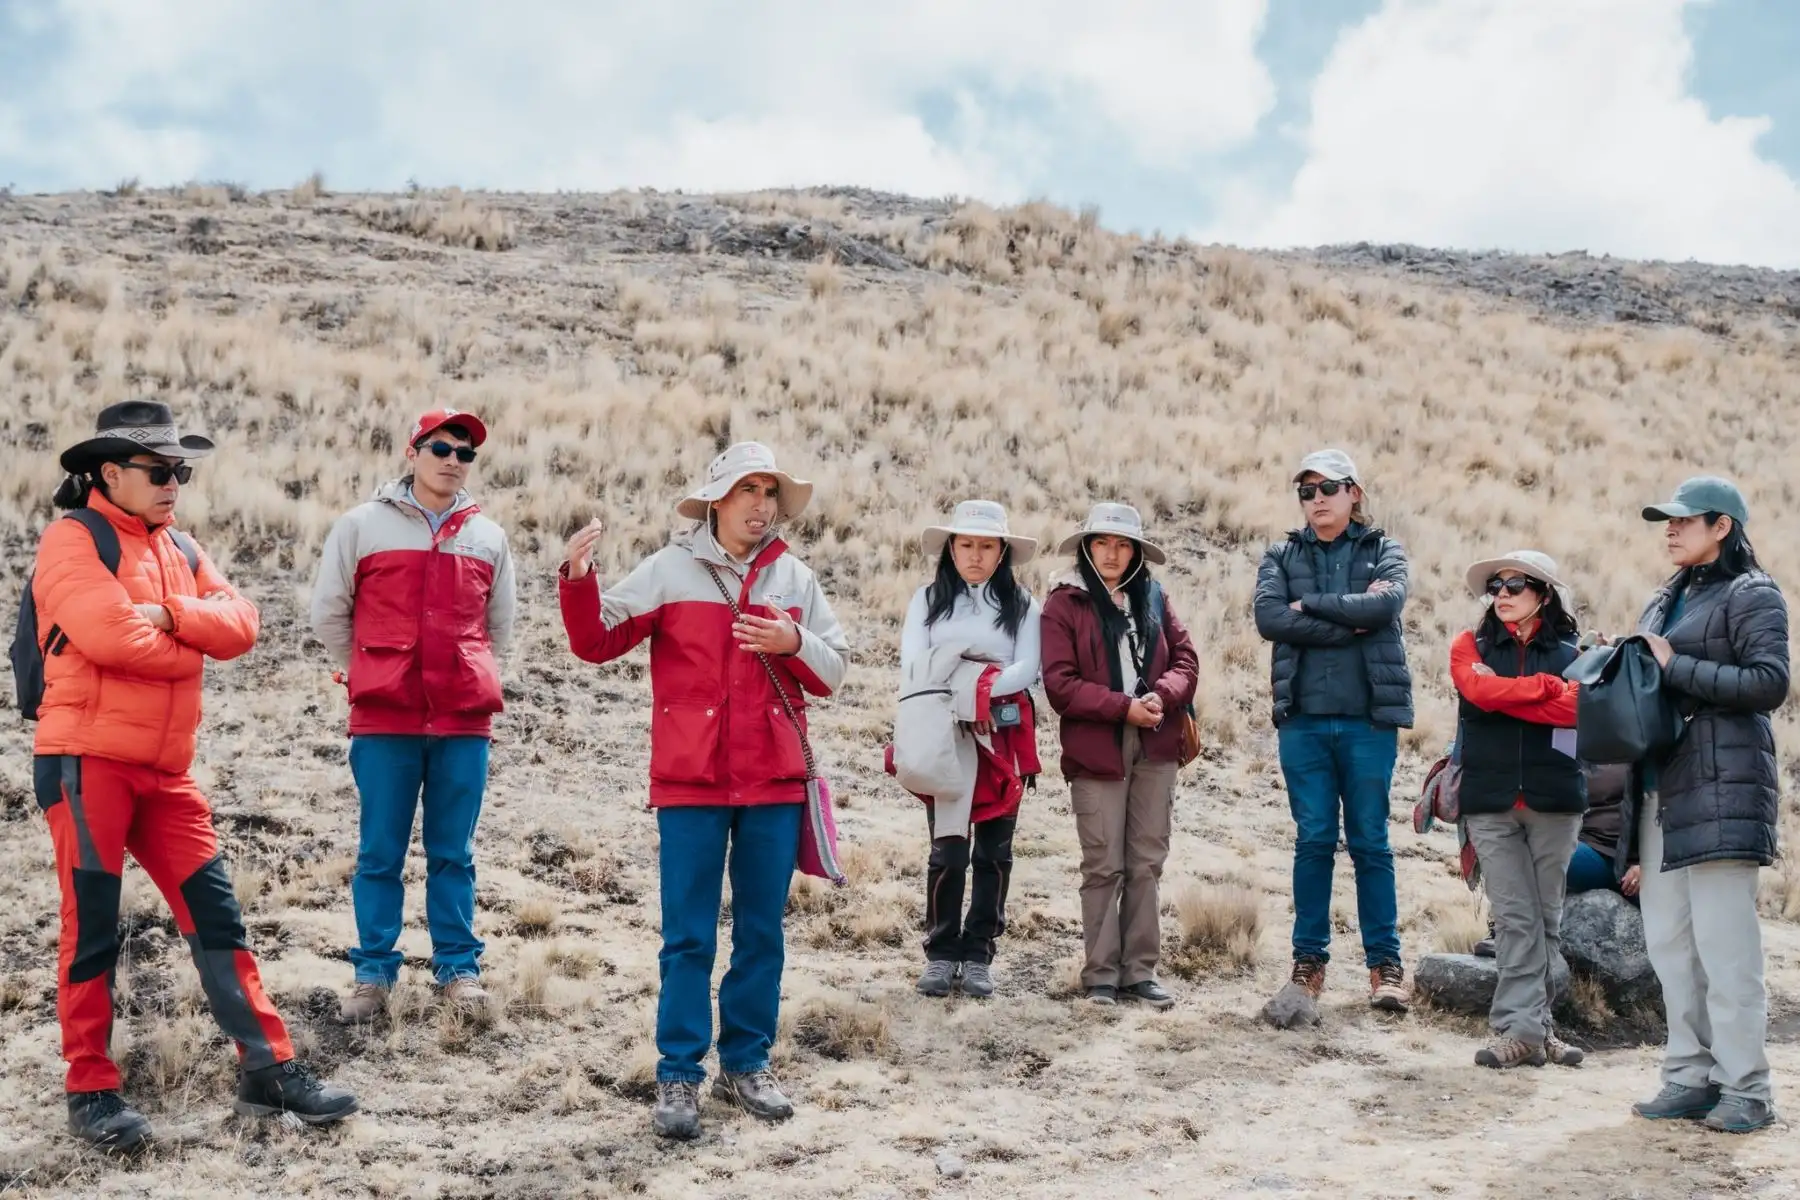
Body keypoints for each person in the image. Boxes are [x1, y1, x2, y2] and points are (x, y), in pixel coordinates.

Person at [30, 401, 356, 1152]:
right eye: (160, 469)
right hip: (87, 763)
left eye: (182, 468)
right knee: (93, 930)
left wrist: (171, 616)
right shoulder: (71, 538)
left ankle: (268, 1070)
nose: (176, 480)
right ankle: (90, 1090)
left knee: (218, 917)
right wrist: (191, 637)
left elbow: (243, 623)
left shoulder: (180, 546)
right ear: (110, 473)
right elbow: (112, 638)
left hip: (165, 773)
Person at [557, 441, 848, 1141]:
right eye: (748, 490)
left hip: (773, 784)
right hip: (690, 783)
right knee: (686, 937)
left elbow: (835, 669)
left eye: (769, 492)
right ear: (717, 499)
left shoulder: (795, 579)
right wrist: (578, 575)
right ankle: (680, 1074)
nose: (761, 504)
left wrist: (792, 641)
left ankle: (747, 1063)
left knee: (760, 935)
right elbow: (595, 640)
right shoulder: (669, 569)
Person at [310, 408, 517, 1023]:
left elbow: (499, 628)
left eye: (466, 453)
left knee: (455, 851)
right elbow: (329, 613)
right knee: (380, 851)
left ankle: (457, 969)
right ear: (413, 451)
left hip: (462, 723)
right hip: (385, 720)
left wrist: (460, 670)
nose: (454, 460)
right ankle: (373, 974)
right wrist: (373, 669)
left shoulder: (488, 537)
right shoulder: (361, 526)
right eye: (442, 448)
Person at [1621, 477, 1787, 1134]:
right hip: (1661, 788)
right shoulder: (1664, 599)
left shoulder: (1755, 593)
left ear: (1723, 526)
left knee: (1727, 949)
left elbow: (1769, 683)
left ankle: (1747, 1088)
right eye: (1666, 520)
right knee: (1669, 945)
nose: (1669, 529)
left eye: (1683, 520)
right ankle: (1688, 1076)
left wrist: (1672, 666)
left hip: (1722, 790)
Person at [1253, 449, 1414, 1012]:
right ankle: (1308, 964)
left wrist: (1313, 606)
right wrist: (1350, 623)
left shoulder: (1384, 550)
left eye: (1329, 488)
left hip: (1370, 721)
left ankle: (1385, 967)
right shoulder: (1279, 553)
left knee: (1370, 840)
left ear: (1355, 494)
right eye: (1307, 490)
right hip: (1303, 722)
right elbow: (1270, 619)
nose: (1317, 499)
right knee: (1314, 839)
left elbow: (1388, 603)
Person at [1040, 503, 1198, 1010]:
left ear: (1135, 551)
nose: (1112, 553)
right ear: (1087, 546)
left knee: (1147, 860)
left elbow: (1186, 660)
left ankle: (1140, 972)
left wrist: (1161, 698)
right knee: (1103, 863)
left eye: (1122, 544)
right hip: (1097, 748)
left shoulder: (1153, 595)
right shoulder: (1064, 602)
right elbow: (1060, 685)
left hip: (1156, 740)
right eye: (1103, 542)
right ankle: (1101, 974)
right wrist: (1122, 708)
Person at [898, 500, 1043, 1000]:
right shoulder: (927, 600)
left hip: (1002, 731)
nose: (975, 555)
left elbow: (1028, 668)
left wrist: (979, 687)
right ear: (951, 548)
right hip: (944, 731)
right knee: (949, 847)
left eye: (986, 546)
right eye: (966, 545)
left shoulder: (1023, 605)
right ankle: (941, 952)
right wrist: (971, 689)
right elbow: (914, 663)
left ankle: (979, 953)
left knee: (995, 850)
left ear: (1002, 551)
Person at [1449, 551, 1586, 1070]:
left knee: (1546, 919)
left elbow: (1577, 709)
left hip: (1555, 802)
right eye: (1496, 586)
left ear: (1543, 594)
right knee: (1514, 919)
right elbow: (1478, 692)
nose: (1502, 593)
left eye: (1515, 584)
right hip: (1490, 801)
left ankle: (1534, 1028)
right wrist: (1546, 689)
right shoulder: (1469, 646)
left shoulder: (1577, 653)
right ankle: (1516, 1029)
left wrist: (1512, 696)